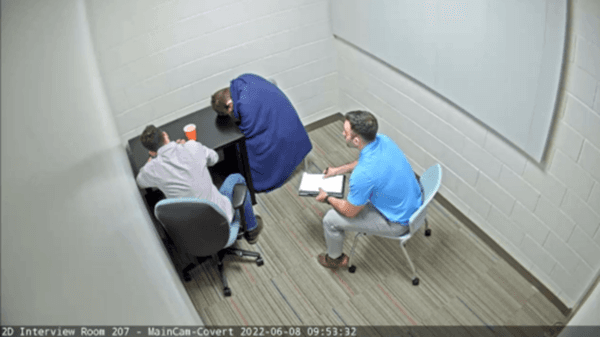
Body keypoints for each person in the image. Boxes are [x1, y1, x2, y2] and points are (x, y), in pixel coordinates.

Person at [314, 111, 423, 269]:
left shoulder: (362, 175)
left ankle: (335, 259)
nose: (342, 133)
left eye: (345, 132)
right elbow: (364, 161)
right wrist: (337, 170)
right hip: (414, 202)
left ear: (356, 140)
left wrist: (327, 198)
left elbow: (351, 212)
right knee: (359, 193)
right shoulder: (384, 140)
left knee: (330, 219)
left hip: (398, 222)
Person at [136, 125, 263, 244]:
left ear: (151, 151)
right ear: (165, 135)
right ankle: (252, 229)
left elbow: (140, 182)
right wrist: (188, 146)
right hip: (223, 224)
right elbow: (214, 159)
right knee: (236, 178)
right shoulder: (192, 147)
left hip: (194, 236)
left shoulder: (152, 169)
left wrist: (151, 162)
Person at [211, 73, 312, 193]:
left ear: (229, 105)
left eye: (229, 112)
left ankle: (262, 178)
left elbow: (250, 132)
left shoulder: (245, 105)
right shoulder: (245, 78)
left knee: (247, 146)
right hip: (287, 117)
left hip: (284, 130)